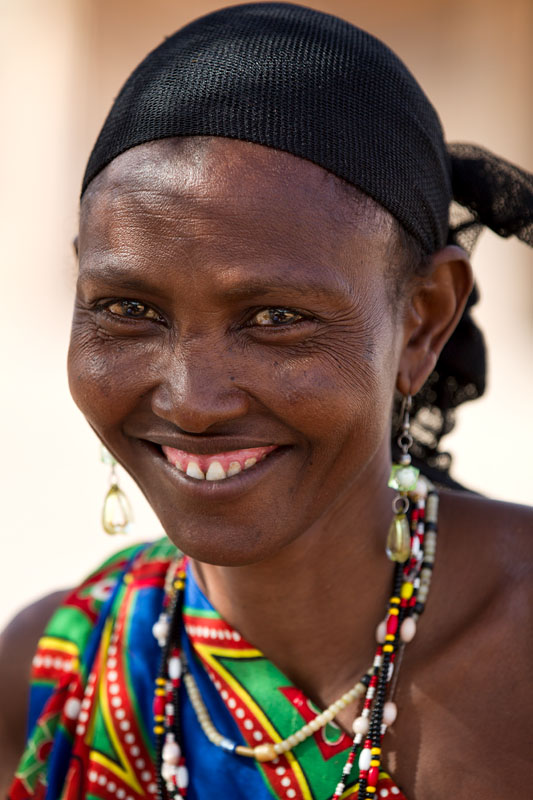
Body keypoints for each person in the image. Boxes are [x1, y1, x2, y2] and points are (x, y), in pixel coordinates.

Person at [1, 3, 532, 798]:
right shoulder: (58, 674)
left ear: (423, 321)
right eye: (128, 309)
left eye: (276, 319)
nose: (192, 400)